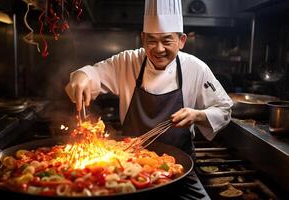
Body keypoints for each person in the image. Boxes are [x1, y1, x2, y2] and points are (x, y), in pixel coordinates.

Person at [65, 0, 233, 158]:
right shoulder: (127, 61)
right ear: (143, 38)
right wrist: (82, 76)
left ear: (181, 41)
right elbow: (94, 73)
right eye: (152, 40)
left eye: (167, 40)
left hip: (180, 164)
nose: (159, 49)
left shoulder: (196, 68)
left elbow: (224, 109)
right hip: (130, 161)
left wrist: (198, 115)